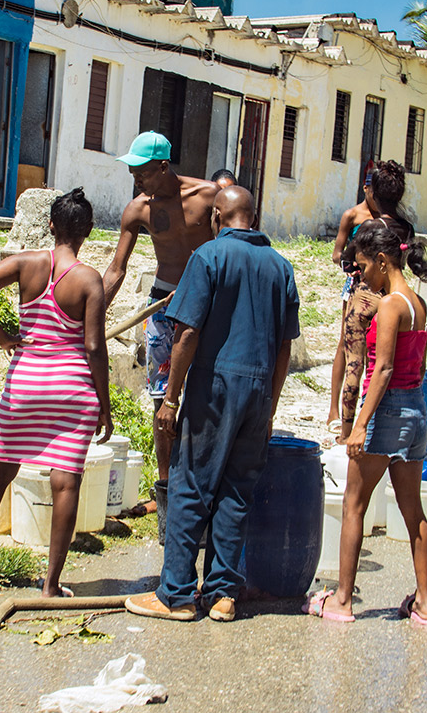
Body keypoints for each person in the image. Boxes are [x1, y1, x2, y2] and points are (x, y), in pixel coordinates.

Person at [125, 186, 299, 622]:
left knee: (191, 487)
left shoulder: (208, 257)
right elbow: (283, 348)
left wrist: (171, 397)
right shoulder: (281, 267)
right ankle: (222, 594)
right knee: (236, 492)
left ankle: (177, 595)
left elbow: (187, 334)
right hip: (259, 392)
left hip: (214, 388)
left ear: (218, 216)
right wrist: (270, 406)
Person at [0, 189, 111, 594]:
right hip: (72, 389)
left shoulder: (26, 264)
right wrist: (105, 407)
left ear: (50, 225)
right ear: (88, 231)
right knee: (66, 483)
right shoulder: (88, 279)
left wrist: (5, 337)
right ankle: (51, 586)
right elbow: (94, 347)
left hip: (24, 383)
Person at [306, 222, 427, 624]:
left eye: (364, 265)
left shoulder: (389, 305)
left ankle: (342, 601)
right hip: (416, 409)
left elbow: (382, 369)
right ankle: (425, 603)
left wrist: (361, 424)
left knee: (354, 505)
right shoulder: (418, 302)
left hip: (388, 411)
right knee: (412, 509)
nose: (361, 274)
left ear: (383, 261)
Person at [103, 132, 219, 540]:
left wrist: (198, 284)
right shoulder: (138, 210)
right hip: (163, 307)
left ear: (165, 168)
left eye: (143, 173)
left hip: (206, 309)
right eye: (133, 173)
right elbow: (117, 269)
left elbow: (226, 251)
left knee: (203, 396)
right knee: (161, 400)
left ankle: (201, 485)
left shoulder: (209, 198)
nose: (137, 181)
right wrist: (92, 311)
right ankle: (167, 489)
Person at [328, 161, 414, 433]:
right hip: (396, 296)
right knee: (385, 359)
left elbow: (347, 256)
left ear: (373, 193)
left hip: (365, 296)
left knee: (355, 359)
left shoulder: (368, 226)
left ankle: (347, 428)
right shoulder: (407, 228)